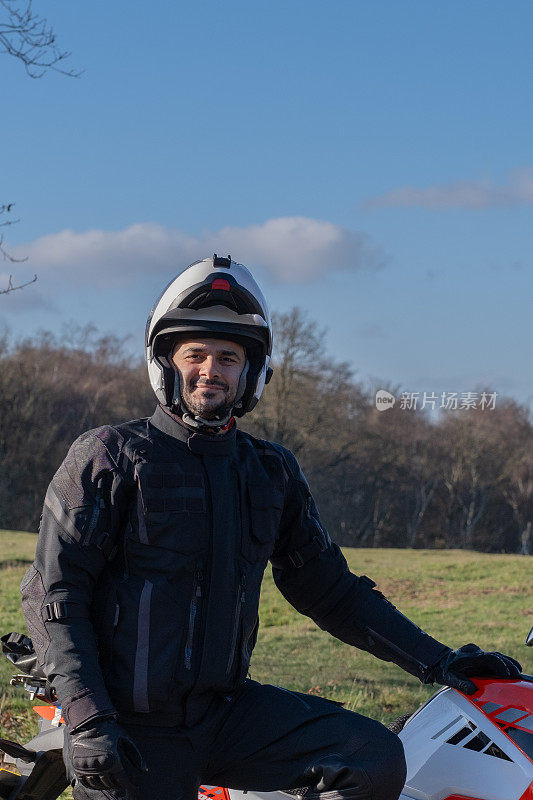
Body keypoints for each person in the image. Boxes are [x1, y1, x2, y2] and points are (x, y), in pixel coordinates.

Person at [21, 255, 522, 800]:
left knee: (372, 755)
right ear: (165, 363)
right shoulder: (109, 457)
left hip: (227, 715)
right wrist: (88, 717)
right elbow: (54, 592)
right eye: (196, 355)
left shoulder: (269, 471)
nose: (211, 370)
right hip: (126, 724)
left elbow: (330, 590)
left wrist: (438, 660)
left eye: (228, 358)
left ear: (251, 373)